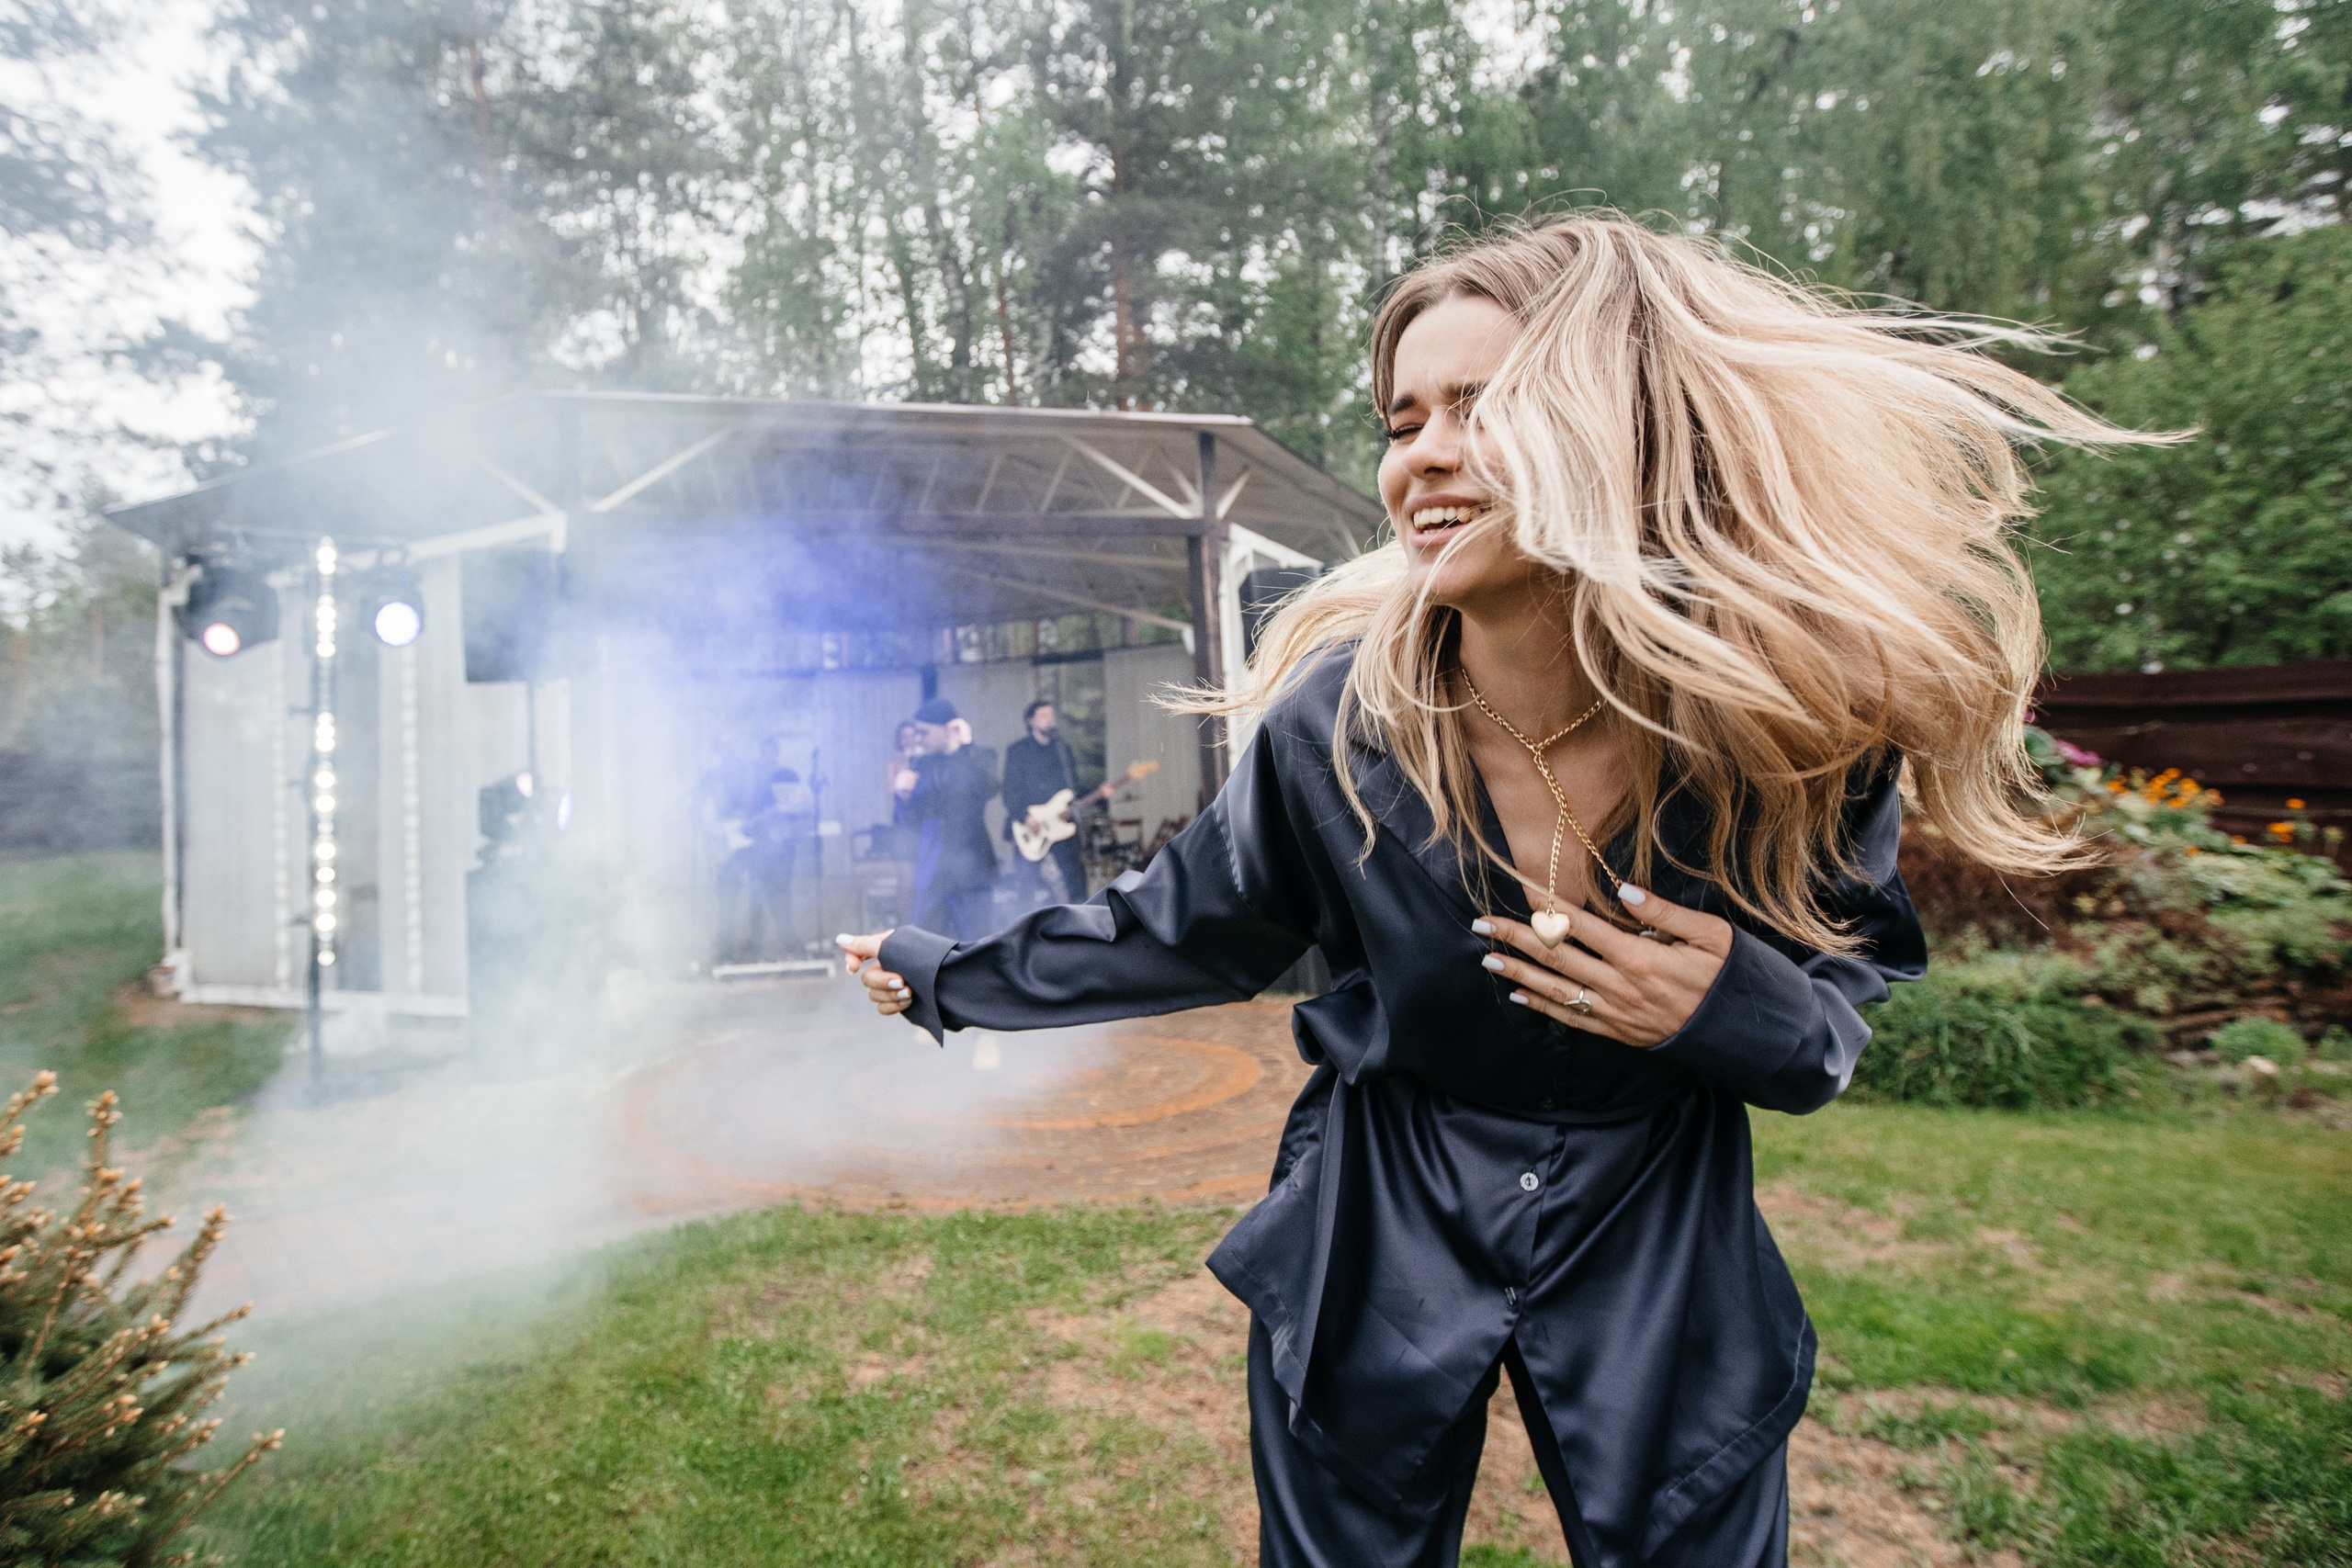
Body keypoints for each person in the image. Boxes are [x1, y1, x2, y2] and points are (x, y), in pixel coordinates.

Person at [839, 214, 2160, 1567]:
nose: (1423, 454)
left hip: (1658, 1215)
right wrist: (953, 972)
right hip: (1380, 1210)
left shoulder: (1787, 726)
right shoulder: (1331, 730)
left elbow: (1837, 1001)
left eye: (1482, 406)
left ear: (1613, 426)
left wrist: (1726, 1001)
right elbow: (1185, 928)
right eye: (1402, 417)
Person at [893, 697, 1000, 941]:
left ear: (948, 728)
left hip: (972, 870)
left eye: (924, 732)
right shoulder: (923, 764)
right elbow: (911, 823)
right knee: (928, 944)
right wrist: (903, 798)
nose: (918, 739)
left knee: (977, 944)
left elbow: (990, 787)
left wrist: (966, 747)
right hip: (934, 870)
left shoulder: (979, 755)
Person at [1001, 699, 1109, 907]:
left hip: (1061, 826)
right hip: (1030, 827)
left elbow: (1073, 786)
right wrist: (1025, 815)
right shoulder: (1018, 751)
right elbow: (1009, 791)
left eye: (1051, 716)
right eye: (1043, 716)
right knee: (1027, 883)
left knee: (1074, 877)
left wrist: (1099, 792)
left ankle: (1081, 917)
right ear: (1030, 721)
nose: (1049, 720)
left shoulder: (1062, 749)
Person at [740, 767, 817, 956]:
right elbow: (746, 828)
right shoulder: (760, 799)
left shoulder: (796, 801)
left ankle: (790, 946)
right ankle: (755, 948)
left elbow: (805, 823)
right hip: (759, 857)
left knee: (781, 902)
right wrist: (766, 818)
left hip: (783, 858)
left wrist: (790, 825)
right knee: (757, 902)